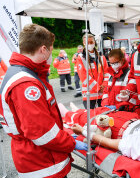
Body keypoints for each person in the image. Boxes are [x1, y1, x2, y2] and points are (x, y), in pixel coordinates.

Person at [0, 24, 87, 178]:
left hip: (40, 159)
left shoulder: (22, 73)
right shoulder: (26, 84)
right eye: (51, 50)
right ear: (43, 49)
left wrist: (63, 135)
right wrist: (70, 143)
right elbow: (42, 134)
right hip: (43, 164)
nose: (50, 54)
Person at [76, 34, 109, 109]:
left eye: (91, 42)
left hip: (102, 94)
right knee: (91, 118)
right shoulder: (81, 58)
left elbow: (107, 73)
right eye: (87, 42)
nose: (90, 44)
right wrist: (97, 87)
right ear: (84, 43)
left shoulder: (101, 57)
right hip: (89, 96)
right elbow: (83, 77)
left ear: (94, 42)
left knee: (103, 117)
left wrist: (104, 85)